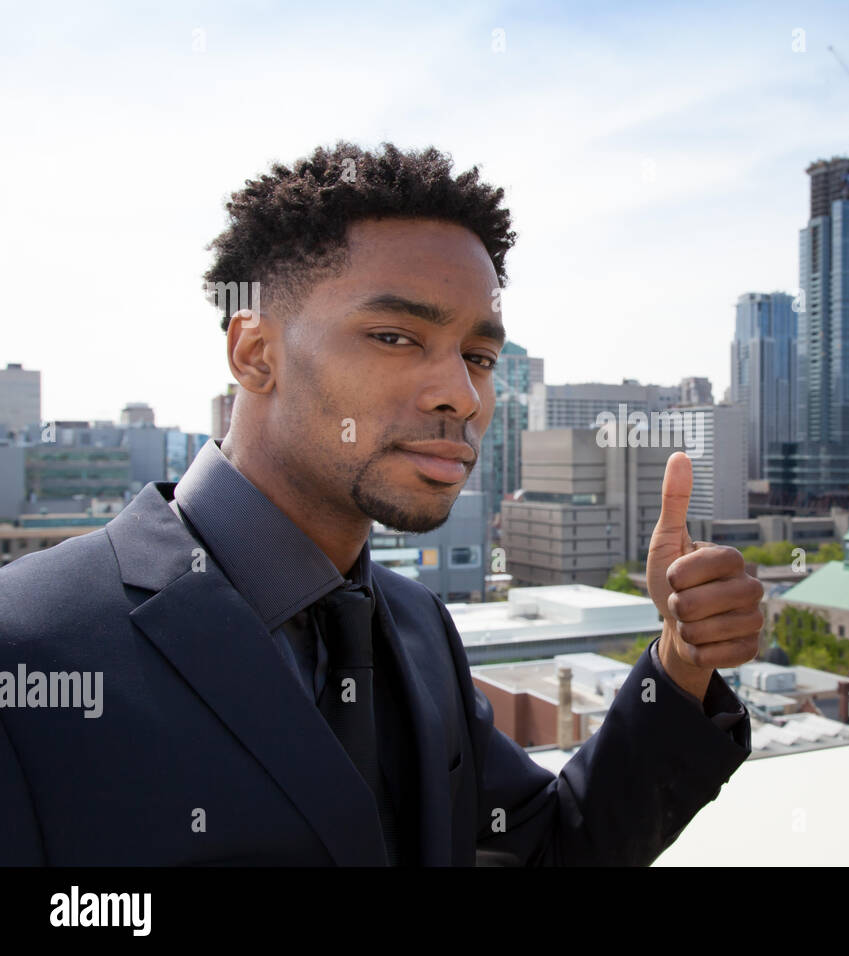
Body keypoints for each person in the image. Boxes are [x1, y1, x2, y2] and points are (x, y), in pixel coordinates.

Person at [0, 142, 762, 865]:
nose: (462, 395)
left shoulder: (416, 623)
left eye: (479, 357)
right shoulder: (29, 645)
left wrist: (678, 661)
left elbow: (543, 850)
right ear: (255, 353)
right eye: (395, 337)